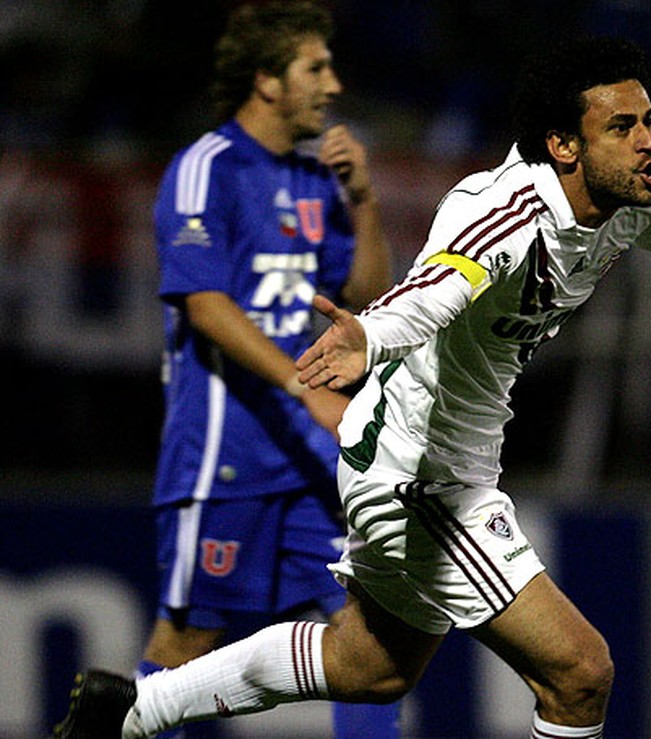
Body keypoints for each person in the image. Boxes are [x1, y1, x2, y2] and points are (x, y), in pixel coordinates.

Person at [55, 35, 651, 739]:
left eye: (648, 121)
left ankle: (131, 710)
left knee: (369, 666)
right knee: (581, 670)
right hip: (420, 476)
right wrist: (369, 332)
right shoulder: (504, 215)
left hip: (425, 454)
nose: (649, 142)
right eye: (623, 128)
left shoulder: (633, 194)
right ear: (563, 145)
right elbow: (434, 285)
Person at [53, 2, 398, 738]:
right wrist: (304, 385)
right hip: (223, 453)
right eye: (316, 67)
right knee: (185, 647)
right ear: (267, 80)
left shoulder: (314, 181)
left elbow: (367, 299)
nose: (333, 84)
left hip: (309, 458)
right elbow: (205, 306)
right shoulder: (203, 168)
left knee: (375, 641)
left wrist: (363, 202)